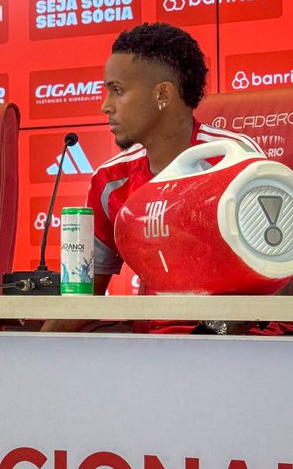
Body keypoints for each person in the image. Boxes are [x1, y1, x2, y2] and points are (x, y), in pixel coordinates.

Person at [89, 21, 262, 299]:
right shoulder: (110, 180)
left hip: (228, 327)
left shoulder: (233, 160)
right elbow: (84, 297)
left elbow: (274, 279)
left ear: (163, 94)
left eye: (117, 90)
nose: (105, 106)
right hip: (147, 328)